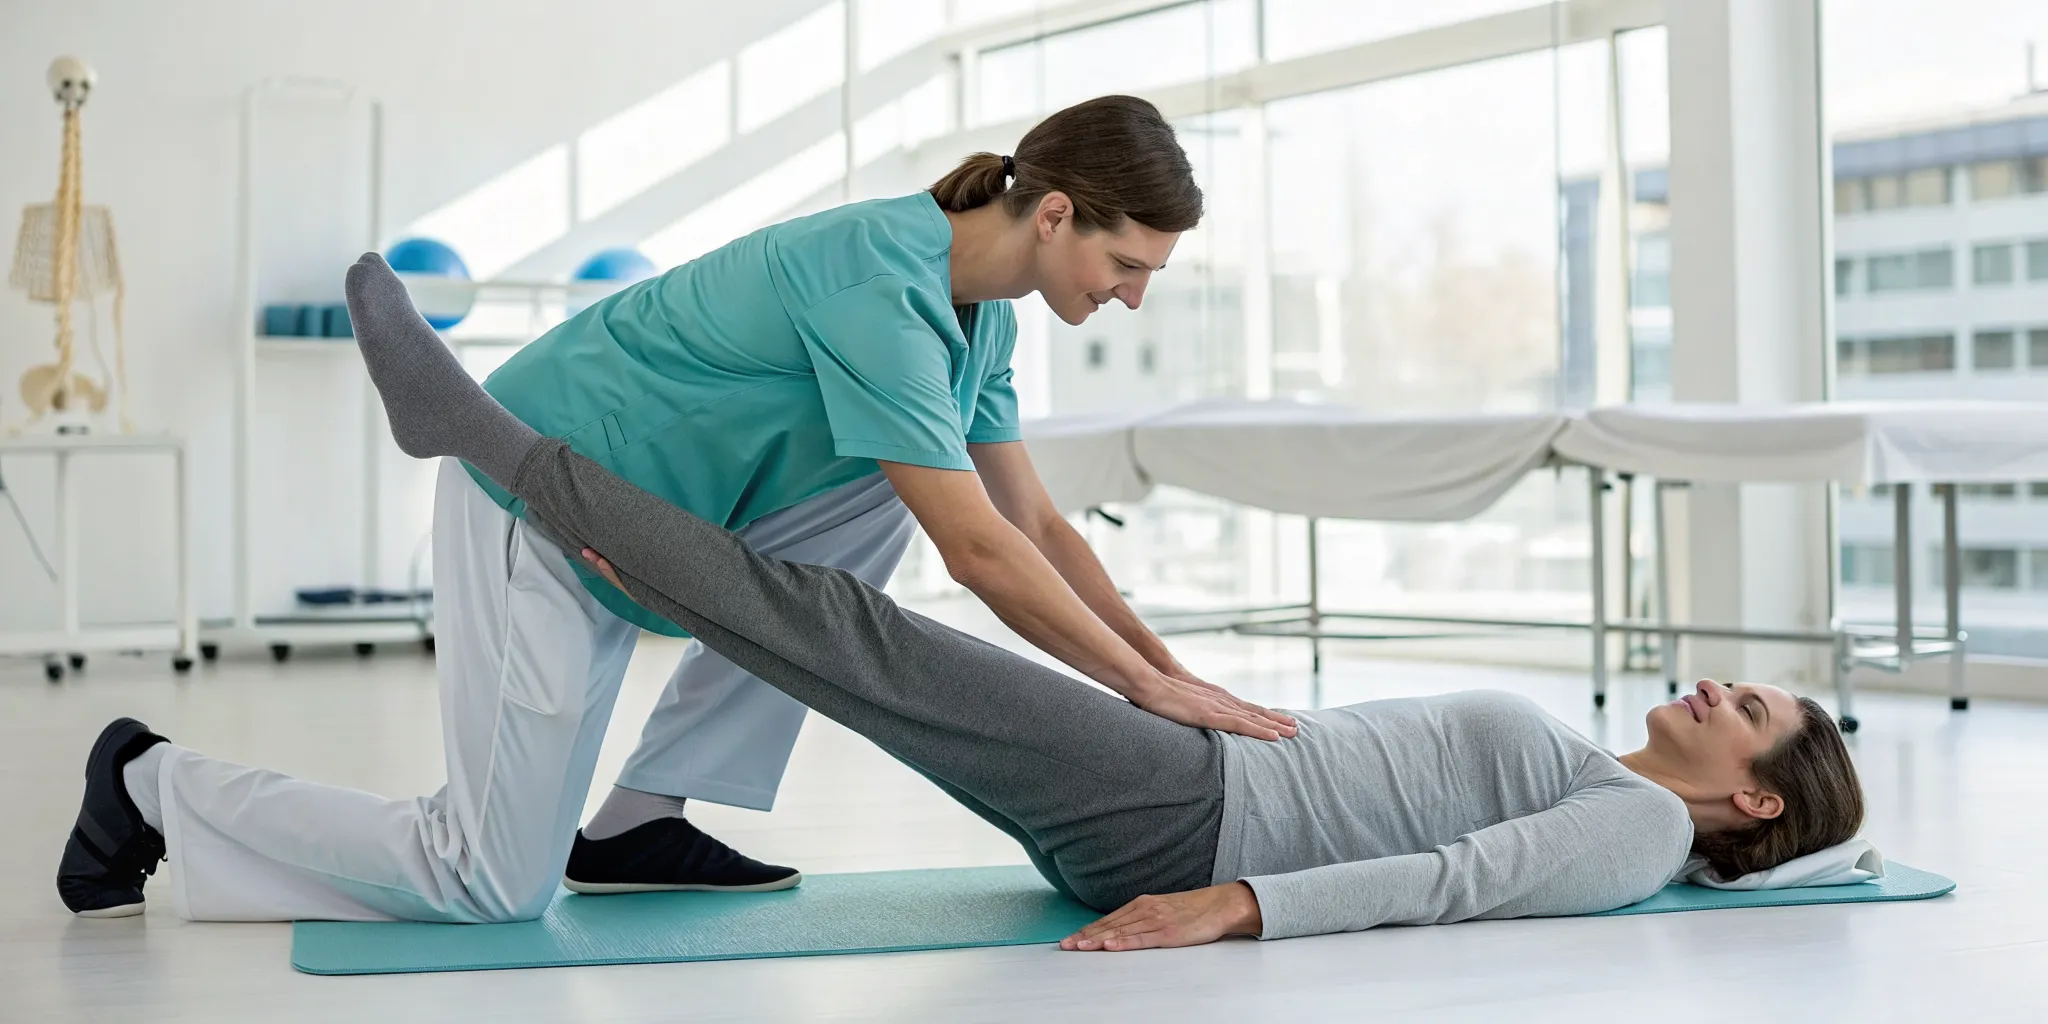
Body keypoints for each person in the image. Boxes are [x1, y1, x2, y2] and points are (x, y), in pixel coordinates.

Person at [60, 275, 1866, 941]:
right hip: (1193, 781)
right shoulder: (1615, 781)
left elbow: (1452, 885)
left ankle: (507, 455)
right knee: (861, 585)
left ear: (1754, 804)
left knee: (856, 640)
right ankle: (618, 740)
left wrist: (1235, 906)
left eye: (1757, 715)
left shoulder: (1637, 830)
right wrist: (1162, 677)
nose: (1724, 689)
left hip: (1194, 821)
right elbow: (1026, 525)